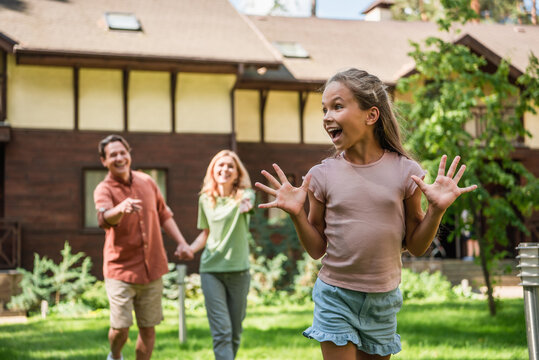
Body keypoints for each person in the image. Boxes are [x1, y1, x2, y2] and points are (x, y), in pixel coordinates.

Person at [255, 68, 477, 360]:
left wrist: (436, 211)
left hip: (382, 299)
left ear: (371, 116)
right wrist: (297, 214)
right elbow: (316, 249)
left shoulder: (405, 171)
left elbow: (416, 245)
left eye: (337, 106)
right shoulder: (321, 176)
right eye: (324, 109)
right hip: (335, 294)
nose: (326, 116)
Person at [94, 134, 194, 360]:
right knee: (120, 328)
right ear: (104, 161)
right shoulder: (103, 189)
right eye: (113, 155)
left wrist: (181, 242)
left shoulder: (147, 181)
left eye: (123, 152)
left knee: (148, 329)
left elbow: (164, 215)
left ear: (129, 154)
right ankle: (115, 355)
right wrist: (120, 208)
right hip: (120, 271)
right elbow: (104, 219)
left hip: (152, 269)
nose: (119, 158)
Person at [181, 150, 255, 360]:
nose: (225, 169)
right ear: (212, 171)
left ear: (237, 173)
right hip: (211, 271)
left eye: (230, 166)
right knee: (222, 331)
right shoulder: (206, 199)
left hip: (239, 271)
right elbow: (206, 233)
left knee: (235, 332)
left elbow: (245, 207)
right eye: (220, 165)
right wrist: (189, 249)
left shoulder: (246, 195)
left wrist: (243, 207)